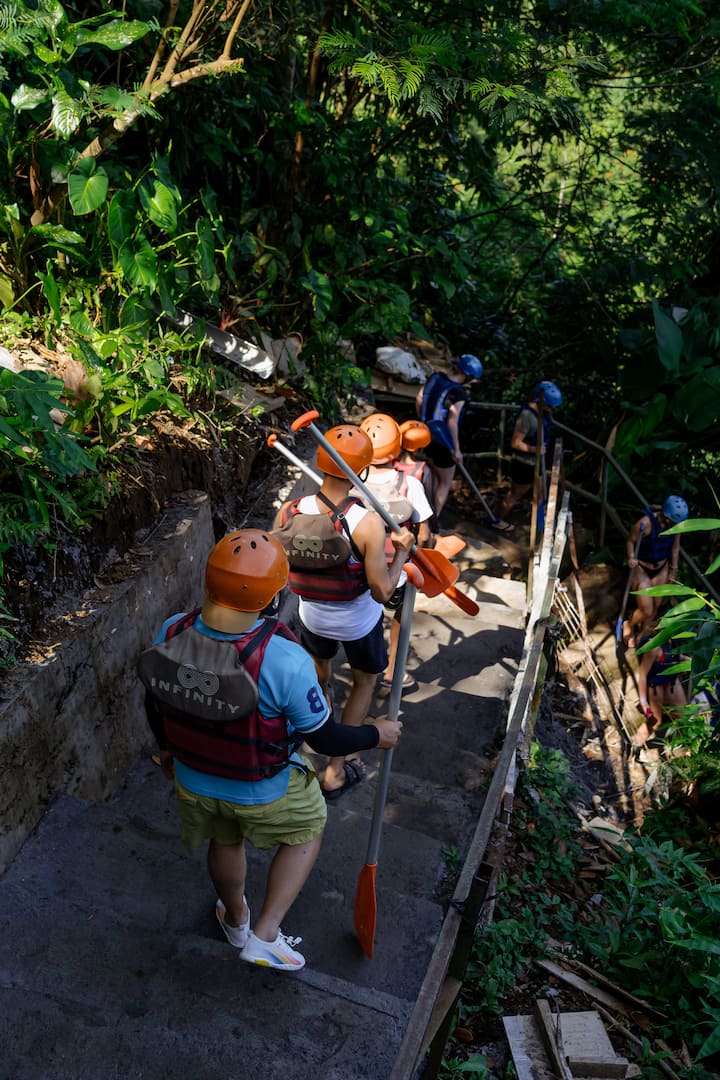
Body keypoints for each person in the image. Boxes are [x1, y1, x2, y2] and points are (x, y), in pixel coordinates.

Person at [138, 529, 403, 971]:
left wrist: (166, 749)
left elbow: (155, 698)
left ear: (209, 581)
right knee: (309, 828)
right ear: (274, 598)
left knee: (224, 835)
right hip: (260, 786)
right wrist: (376, 735)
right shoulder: (284, 659)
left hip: (193, 776)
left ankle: (236, 918)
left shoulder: (173, 629)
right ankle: (265, 934)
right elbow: (324, 739)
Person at [272, 424, 415, 800]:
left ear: (321, 465)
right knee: (365, 682)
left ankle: (318, 726)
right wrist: (402, 551)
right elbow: (383, 591)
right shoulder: (366, 522)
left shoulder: (288, 512)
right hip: (357, 623)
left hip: (311, 617)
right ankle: (335, 770)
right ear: (362, 470)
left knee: (321, 677)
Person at [357, 413, 433, 691]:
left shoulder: (353, 481)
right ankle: (392, 671)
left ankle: (365, 668)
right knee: (400, 615)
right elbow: (423, 534)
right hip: (395, 568)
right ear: (398, 446)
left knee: (367, 613)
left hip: (358, 565)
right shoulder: (410, 484)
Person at [416, 353, 484, 525]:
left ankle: (420, 517)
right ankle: (431, 523)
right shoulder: (459, 393)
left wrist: (423, 421)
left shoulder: (435, 378)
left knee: (429, 477)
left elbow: (419, 399)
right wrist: (456, 450)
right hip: (442, 442)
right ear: (467, 376)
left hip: (423, 434)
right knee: (444, 483)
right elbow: (452, 422)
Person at [621, 495, 688, 648]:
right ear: (666, 517)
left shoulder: (675, 528)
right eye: (674, 522)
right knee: (647, 609)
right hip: (642, 568)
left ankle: (643, 633)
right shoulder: (645, 524)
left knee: (656, 606)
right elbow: (630, 541)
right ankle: (629, 624)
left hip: (661, 568)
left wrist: (674, 569)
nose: (677, 525)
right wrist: (631, 557)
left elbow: (675, 547)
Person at [499, 380, 562, 521]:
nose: (551, 409)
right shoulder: (527, 416)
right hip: (524, 463)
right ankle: (497, 519)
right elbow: (515, 443)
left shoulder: (543, 413)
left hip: (537, 462)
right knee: (515, 495)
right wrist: (535, 449)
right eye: (549, 406)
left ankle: (538, 525)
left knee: (540, 494)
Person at [634, 624, 688, 747]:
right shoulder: (654, 647)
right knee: (656, 722)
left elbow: (675, 656)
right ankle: (635, 745)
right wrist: (643, 701)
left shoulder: (674, 641)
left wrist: (691, 661)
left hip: (671, 682)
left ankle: (688, 748)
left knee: (683, 715)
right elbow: (642, 675)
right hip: (655, 686)